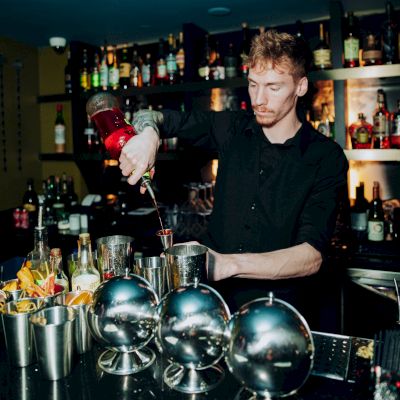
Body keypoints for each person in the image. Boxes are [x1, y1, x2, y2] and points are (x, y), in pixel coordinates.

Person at [119, 30, 349, 323]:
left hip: (278, 314)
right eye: (253, 85)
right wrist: (149, 135)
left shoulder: (325, 157)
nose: (259, 99)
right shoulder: (232, 128)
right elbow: (155, 116)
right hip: (213, 306)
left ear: (300, 86)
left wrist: (227, 264)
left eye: (273, 87)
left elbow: (310, 257)